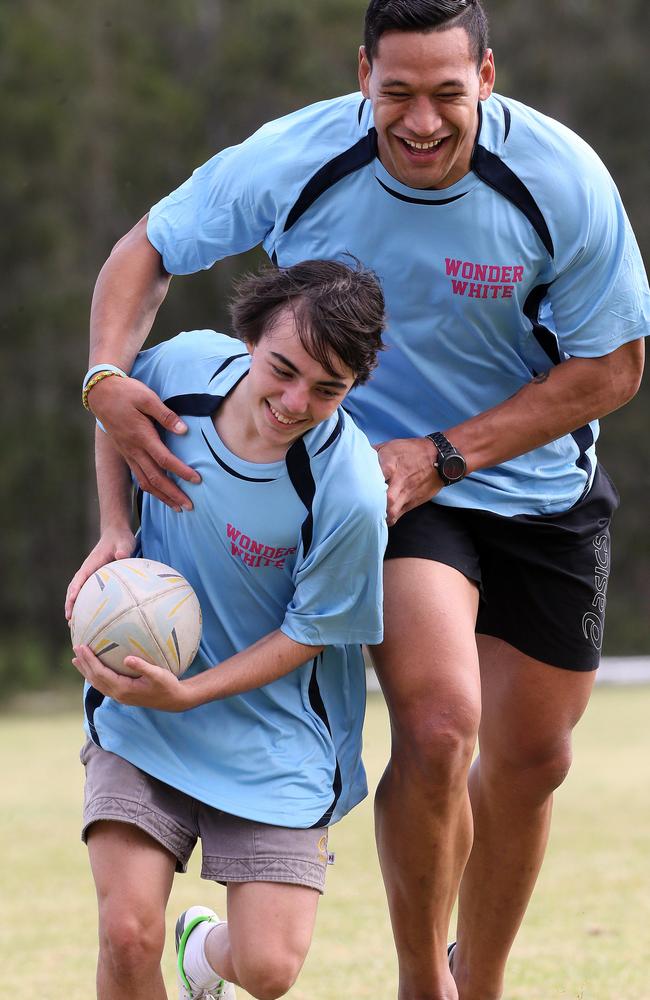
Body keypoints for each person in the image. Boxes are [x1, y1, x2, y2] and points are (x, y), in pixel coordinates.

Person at [81, 2, 649, 997]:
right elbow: (146, 250)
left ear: (485, 75)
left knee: (534, 760)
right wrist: (102, 381)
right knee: (435, 728)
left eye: (444, 94)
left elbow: (613, 367)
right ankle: (420, 984)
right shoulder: (298, 155)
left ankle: (478, 979)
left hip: (531, 481)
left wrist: (446, 453)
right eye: (395, 94)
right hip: (378, 484)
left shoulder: (560, 182)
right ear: (361, 77)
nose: (419, 122)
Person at [67, 258, 388, 1000]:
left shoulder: (349, 491)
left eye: (328, 389)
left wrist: (193, 692)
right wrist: (117, 528)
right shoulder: (180, 370)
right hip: (145, 718)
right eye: (284, 369)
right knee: (126, 934)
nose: (294, 400)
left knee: (270, 971)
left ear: (354, 386)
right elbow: (115, 413)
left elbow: (310, 632)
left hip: (273, 737)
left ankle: (202, 958)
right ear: (250, 336)